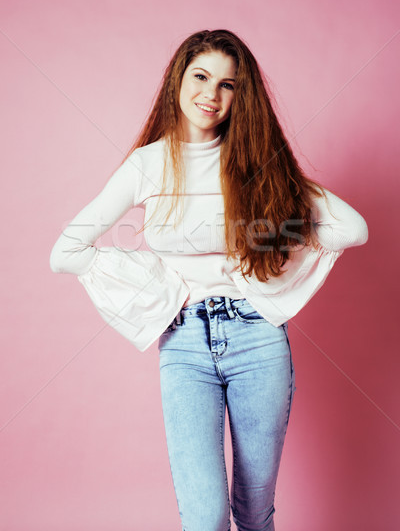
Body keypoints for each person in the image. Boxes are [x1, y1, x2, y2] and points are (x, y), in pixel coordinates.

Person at [49, 29, 368, 531]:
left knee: (253, 512)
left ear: (242, 96)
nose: (211, 95)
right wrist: (164, 289)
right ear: (178, 79)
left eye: (228, 85)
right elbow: (65, 252)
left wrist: (265, 264)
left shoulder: (257, 162)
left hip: (258, 339)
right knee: (205, 517)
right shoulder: (149, 164)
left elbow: (353, 228)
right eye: (201, 76)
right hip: (184, 344)